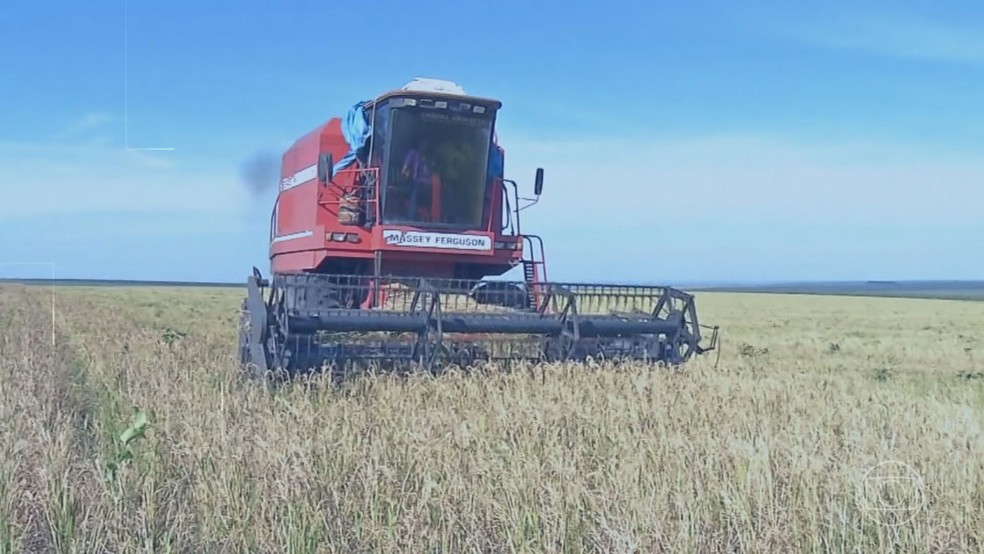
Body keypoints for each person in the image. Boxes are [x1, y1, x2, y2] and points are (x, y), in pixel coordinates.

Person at [400, 139, 442, 221]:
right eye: (424, 142)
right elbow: (405, 168)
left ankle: (432, 218)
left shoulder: (431, 156)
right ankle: (411, 218)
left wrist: (428, 162)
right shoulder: (413, 153)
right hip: (415, 182)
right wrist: (405, 173)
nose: (425, 145)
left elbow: (435, 170)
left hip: (429, 184)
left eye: (427, 143)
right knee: (416, 192)